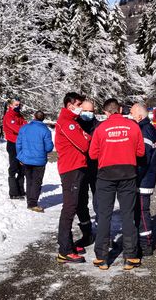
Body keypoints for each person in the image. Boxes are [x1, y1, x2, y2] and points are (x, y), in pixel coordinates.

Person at [89, 98, 145, 271]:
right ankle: (130, 257)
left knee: (104, 215)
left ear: (106, 112)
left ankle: (102, 258)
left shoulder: (100, 129)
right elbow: (141, 152)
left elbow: (92, 155)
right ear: (120, 109)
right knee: (128, 215)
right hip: (128, 173)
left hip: (106, 175)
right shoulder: (133, 126)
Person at [55, 92, 92, 264]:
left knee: (75, 205)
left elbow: (85, 139)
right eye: (79, 105)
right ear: (70, 106)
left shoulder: (73, 122)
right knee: (69, 208)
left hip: (77, 168)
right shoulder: (67, 123)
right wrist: (87, 137)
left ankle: (68, 243)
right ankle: (65, 250)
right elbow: (84, 144)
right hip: (71, 169)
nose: (81, 109)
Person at [130, 103, 156, 256]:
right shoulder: (149, 129)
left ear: (140, 116)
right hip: (145, 179)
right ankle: (143, 241)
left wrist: (134, 177)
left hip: (143, 180)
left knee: (142, 212)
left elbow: (143, 159)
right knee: (141, 212)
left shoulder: (145, 131)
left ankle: (146, 244)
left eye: (132, 115)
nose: (131, 118)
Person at [16, 110, 54, 213]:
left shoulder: (24, 128)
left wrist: (20, 156)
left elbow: (18, 144)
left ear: (34, 117)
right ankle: (32, 203)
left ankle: (30, 201)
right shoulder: (46, 131)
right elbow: (49, 147)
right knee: (37, 182)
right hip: (39, 160)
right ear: (43, 118)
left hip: (26, 159)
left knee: (29, 180)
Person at [76, 99, 100, 237]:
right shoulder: (75, 125)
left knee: (100, 201)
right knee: (81, 201)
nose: (88, 114)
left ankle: (102, 232)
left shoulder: (99, 126)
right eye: (85, 111)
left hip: (96, 168)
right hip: (80, 168)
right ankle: (86, 232)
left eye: (91, 111)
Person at [2, 96, 27, 199]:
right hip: (13, 144)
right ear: (10, 105)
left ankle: (21, 190)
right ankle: (13, 192)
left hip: (22, 145)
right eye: (16, 105)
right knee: (14, 167)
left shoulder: (19, 116)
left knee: (22, 168)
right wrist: (24, 128)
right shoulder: (9, 116)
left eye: (19, 105)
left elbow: (25, 125)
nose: (18, 106)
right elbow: (17, 128)